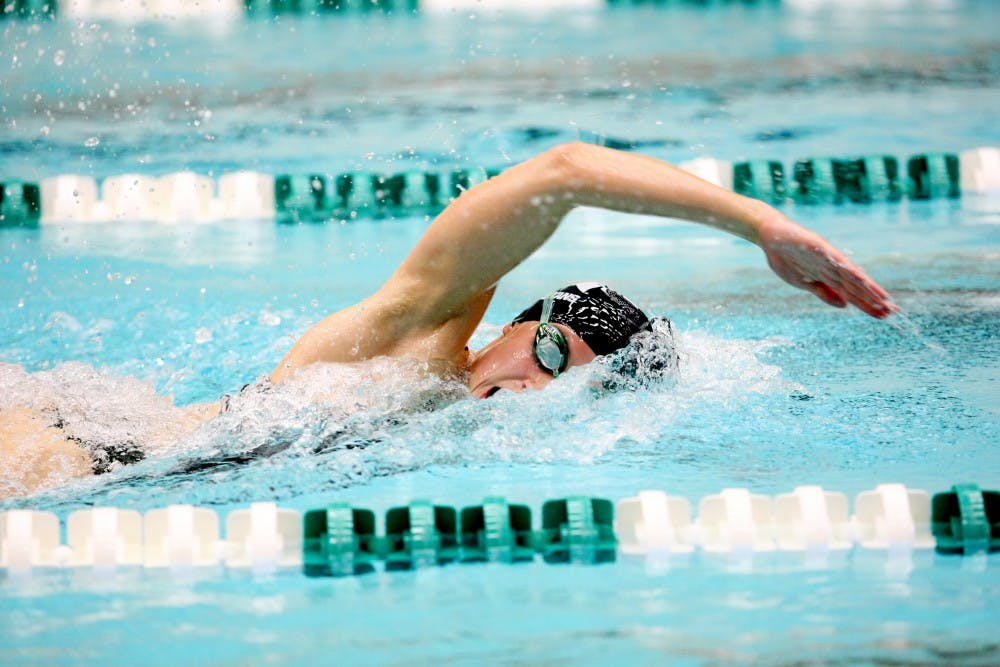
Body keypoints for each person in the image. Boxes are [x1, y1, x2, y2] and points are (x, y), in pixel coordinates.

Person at [0, 142, 896, 497]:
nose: (535, 381)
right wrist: (760, 226)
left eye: (565, 380)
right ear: (512, 320)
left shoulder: (463, 440)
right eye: (549, 346)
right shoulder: (417, 340)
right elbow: (564, 171)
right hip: (70, 450)